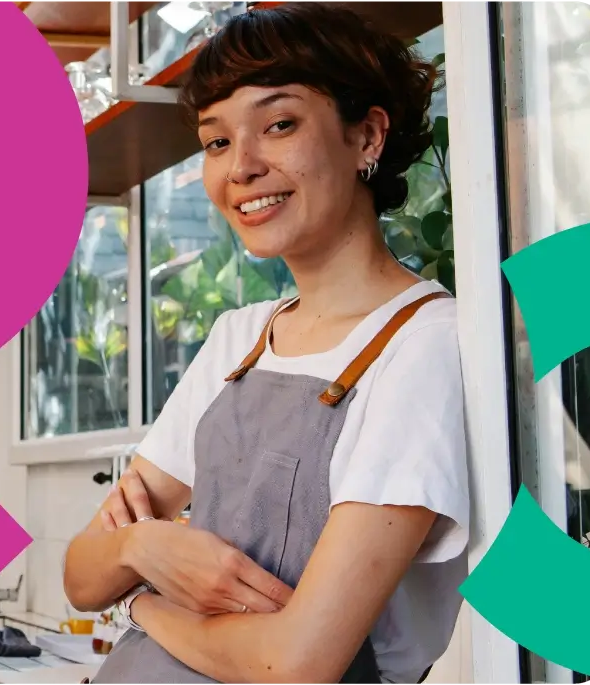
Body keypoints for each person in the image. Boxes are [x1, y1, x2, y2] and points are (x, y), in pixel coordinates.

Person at [63, 1, 469, 683]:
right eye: (216, 141)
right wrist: (144, 544)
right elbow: (81, 575)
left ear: (366, 136)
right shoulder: (240, 338)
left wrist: (144, 605)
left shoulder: (426, 344)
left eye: (278, 124)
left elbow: (297, 662)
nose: (241, 167)